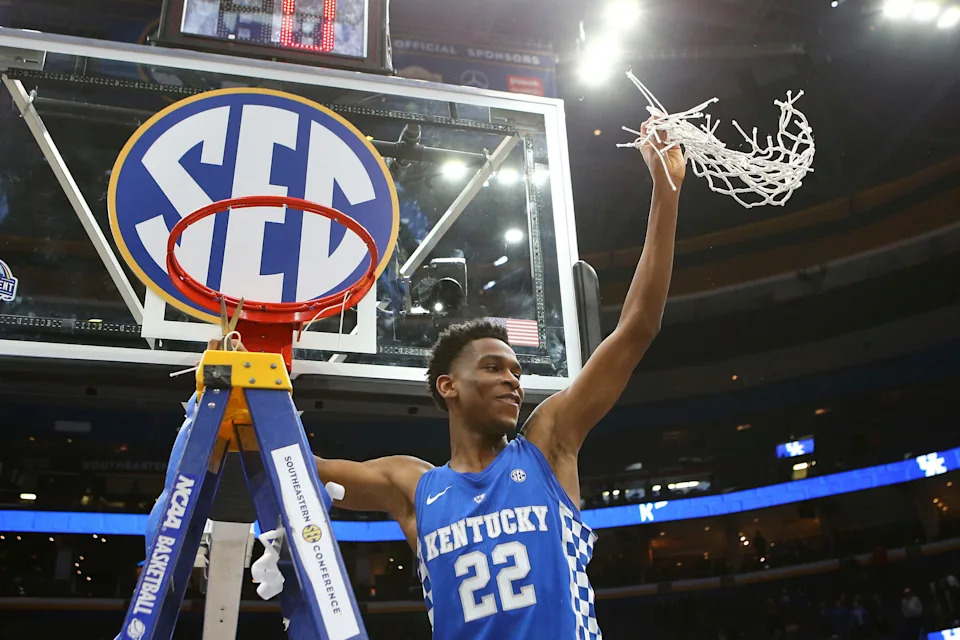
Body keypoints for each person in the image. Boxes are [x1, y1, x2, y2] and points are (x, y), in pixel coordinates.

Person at [313, 120, 685, 639]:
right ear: (449, 386)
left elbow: (638, 327)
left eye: (516, 370)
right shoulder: (414, 485)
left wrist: (666, 193)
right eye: (493, 368)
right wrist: (246, 383)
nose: (513, 380)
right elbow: (298, 473)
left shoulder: (548, 443)